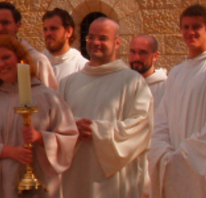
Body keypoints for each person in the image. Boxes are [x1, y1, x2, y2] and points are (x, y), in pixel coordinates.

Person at [148, 5, 206, 198]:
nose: (190, 32)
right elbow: (161, 120)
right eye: (185, 27)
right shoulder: (176, 73)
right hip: (171, 163)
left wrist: (182, 159)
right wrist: (163, 152)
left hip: (202, 168)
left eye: (196, 27)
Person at [0, 36, 77, 197]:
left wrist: (40, 137)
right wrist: (7, 151)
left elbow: (68, 136)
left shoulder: (46, 97)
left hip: (38, 183)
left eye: (6, 57)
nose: (1, 64)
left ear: (20, 58)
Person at [57, 17, 152, 197]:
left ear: (117, 43)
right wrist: (72, 128)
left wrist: (97, 131)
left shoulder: (132, 81)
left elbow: (141, 127)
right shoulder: (68, 83)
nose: (95, 43)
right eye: (91, 37)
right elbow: (55, 124)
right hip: (76, 175)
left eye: (102, 38)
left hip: (114, 180)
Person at [0, 2, 58, 90]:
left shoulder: (37, 61)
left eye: (5, 23)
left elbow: (48, 98)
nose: (0, 28)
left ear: (18, 25)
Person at [40, 8, 87, 82]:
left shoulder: (82, 67)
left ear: (68, 32)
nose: (48, 33)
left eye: (53, 28)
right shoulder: (37, 63)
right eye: (45, 29)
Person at [128, 35, 168, 104]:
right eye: (133, 52)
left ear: (155, 56)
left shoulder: (166, 89)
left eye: (142, 53)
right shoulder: (123, 85)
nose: (136, 58)